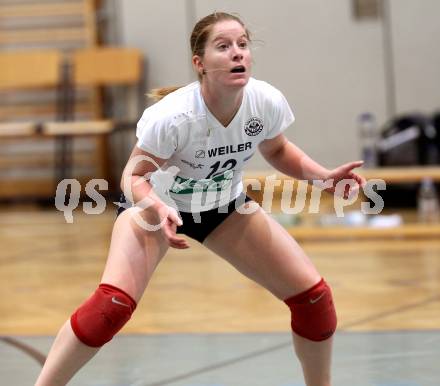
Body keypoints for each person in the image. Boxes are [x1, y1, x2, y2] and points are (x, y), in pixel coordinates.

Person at [35, 11, 365, 386]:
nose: (237, 53)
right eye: (223, 47)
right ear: (200, 63)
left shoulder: (264, 101)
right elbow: (133, 176)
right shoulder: (173, 117)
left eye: (242, 44)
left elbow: (277, 151)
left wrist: (321, 177)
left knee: (314, 300)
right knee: (111, 308)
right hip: (155, 209)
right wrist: (156, 208)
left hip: (223, 206)